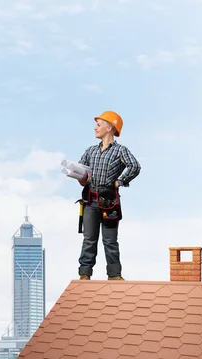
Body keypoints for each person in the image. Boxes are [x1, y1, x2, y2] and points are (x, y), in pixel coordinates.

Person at [76, 110, 141, 280]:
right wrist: (81, 179)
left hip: (110, 202)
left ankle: (114, 274)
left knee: (110, 240)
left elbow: (135, 166)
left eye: (98, 125)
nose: (95, 128)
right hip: (90, 201)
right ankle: (84, 273)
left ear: (110, 127)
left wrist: (120, 181)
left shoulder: (120, 151)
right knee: (89, 239)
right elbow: (81, 172)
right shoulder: (90, 151)